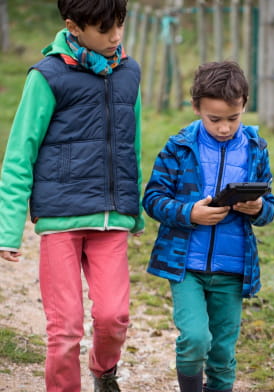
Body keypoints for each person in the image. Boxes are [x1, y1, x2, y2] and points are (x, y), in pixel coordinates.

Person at [0, 0, 143, 391]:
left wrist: (135, 209)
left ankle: (104, 371)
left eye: (120, 26)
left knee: (114, 317)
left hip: (112, 218)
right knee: (64, 330)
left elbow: (133, 144)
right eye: (103, 29)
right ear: (73, 27)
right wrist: (8, 228)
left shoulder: (129, 73)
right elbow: (19, 153)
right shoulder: (47, 76)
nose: (115, 37)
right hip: (60, 221)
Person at [142, 61, 274, 392]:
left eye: (233, 118)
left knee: (222, 351)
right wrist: (189, 213)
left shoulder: (256, 150)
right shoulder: (179, 147)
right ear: (196, 107)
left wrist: (257, 208)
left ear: (245, 104)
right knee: (196, 338)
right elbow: (153, 199)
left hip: (233, 269)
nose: (225, 128)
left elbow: (269, 207)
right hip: (186, 265)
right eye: (214, 119)